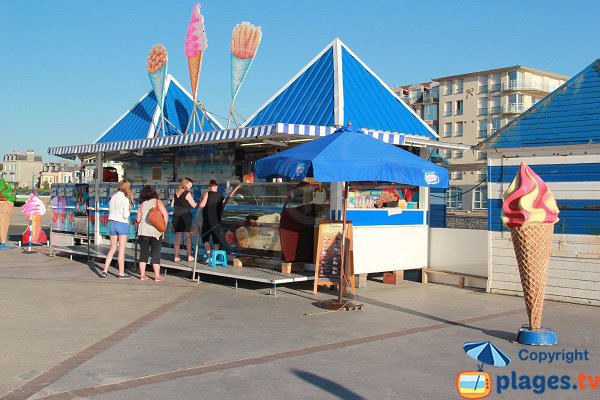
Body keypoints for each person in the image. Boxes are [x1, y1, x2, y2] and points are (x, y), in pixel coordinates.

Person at [101, 179, 133, 279]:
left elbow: (110, 210)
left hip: (112, 224)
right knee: (121, 250)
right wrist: (129, 209)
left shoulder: (113, 197)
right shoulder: (125, 199)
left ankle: (105, 270)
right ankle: (121, 273)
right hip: (122, 224)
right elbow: (125, 215)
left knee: (112, 248)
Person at [136, 185, 168, 282]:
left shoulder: (142, 204)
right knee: (155, 253)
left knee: (143, 253)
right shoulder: (157, 202)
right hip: (155, 232)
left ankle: (142, 275)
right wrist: (164, 227)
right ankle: (157, 276)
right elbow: (165, 215)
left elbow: (138, 219)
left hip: (143, 232)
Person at [170, 177, 197, 262]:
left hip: (176, 216)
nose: (191, 186)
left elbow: (172, 205)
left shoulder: (176, 193)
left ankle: (176, 256)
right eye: (190, 185)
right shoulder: (187, 193)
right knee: (188, 236)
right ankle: (189, 256)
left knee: (178, 237)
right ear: (186, 183)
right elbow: (194, 205)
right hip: (185, 216)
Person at [199, 179, 224, 260]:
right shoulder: (221, 195)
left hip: (208, 219)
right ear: (216, 186)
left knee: (205, 238)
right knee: (216, 239)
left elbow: (202, 205)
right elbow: (224, 206)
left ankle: (209, 257)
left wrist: (200, 201)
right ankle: (214, 258)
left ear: (209, 187)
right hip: (217, 220)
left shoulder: (207, 193)